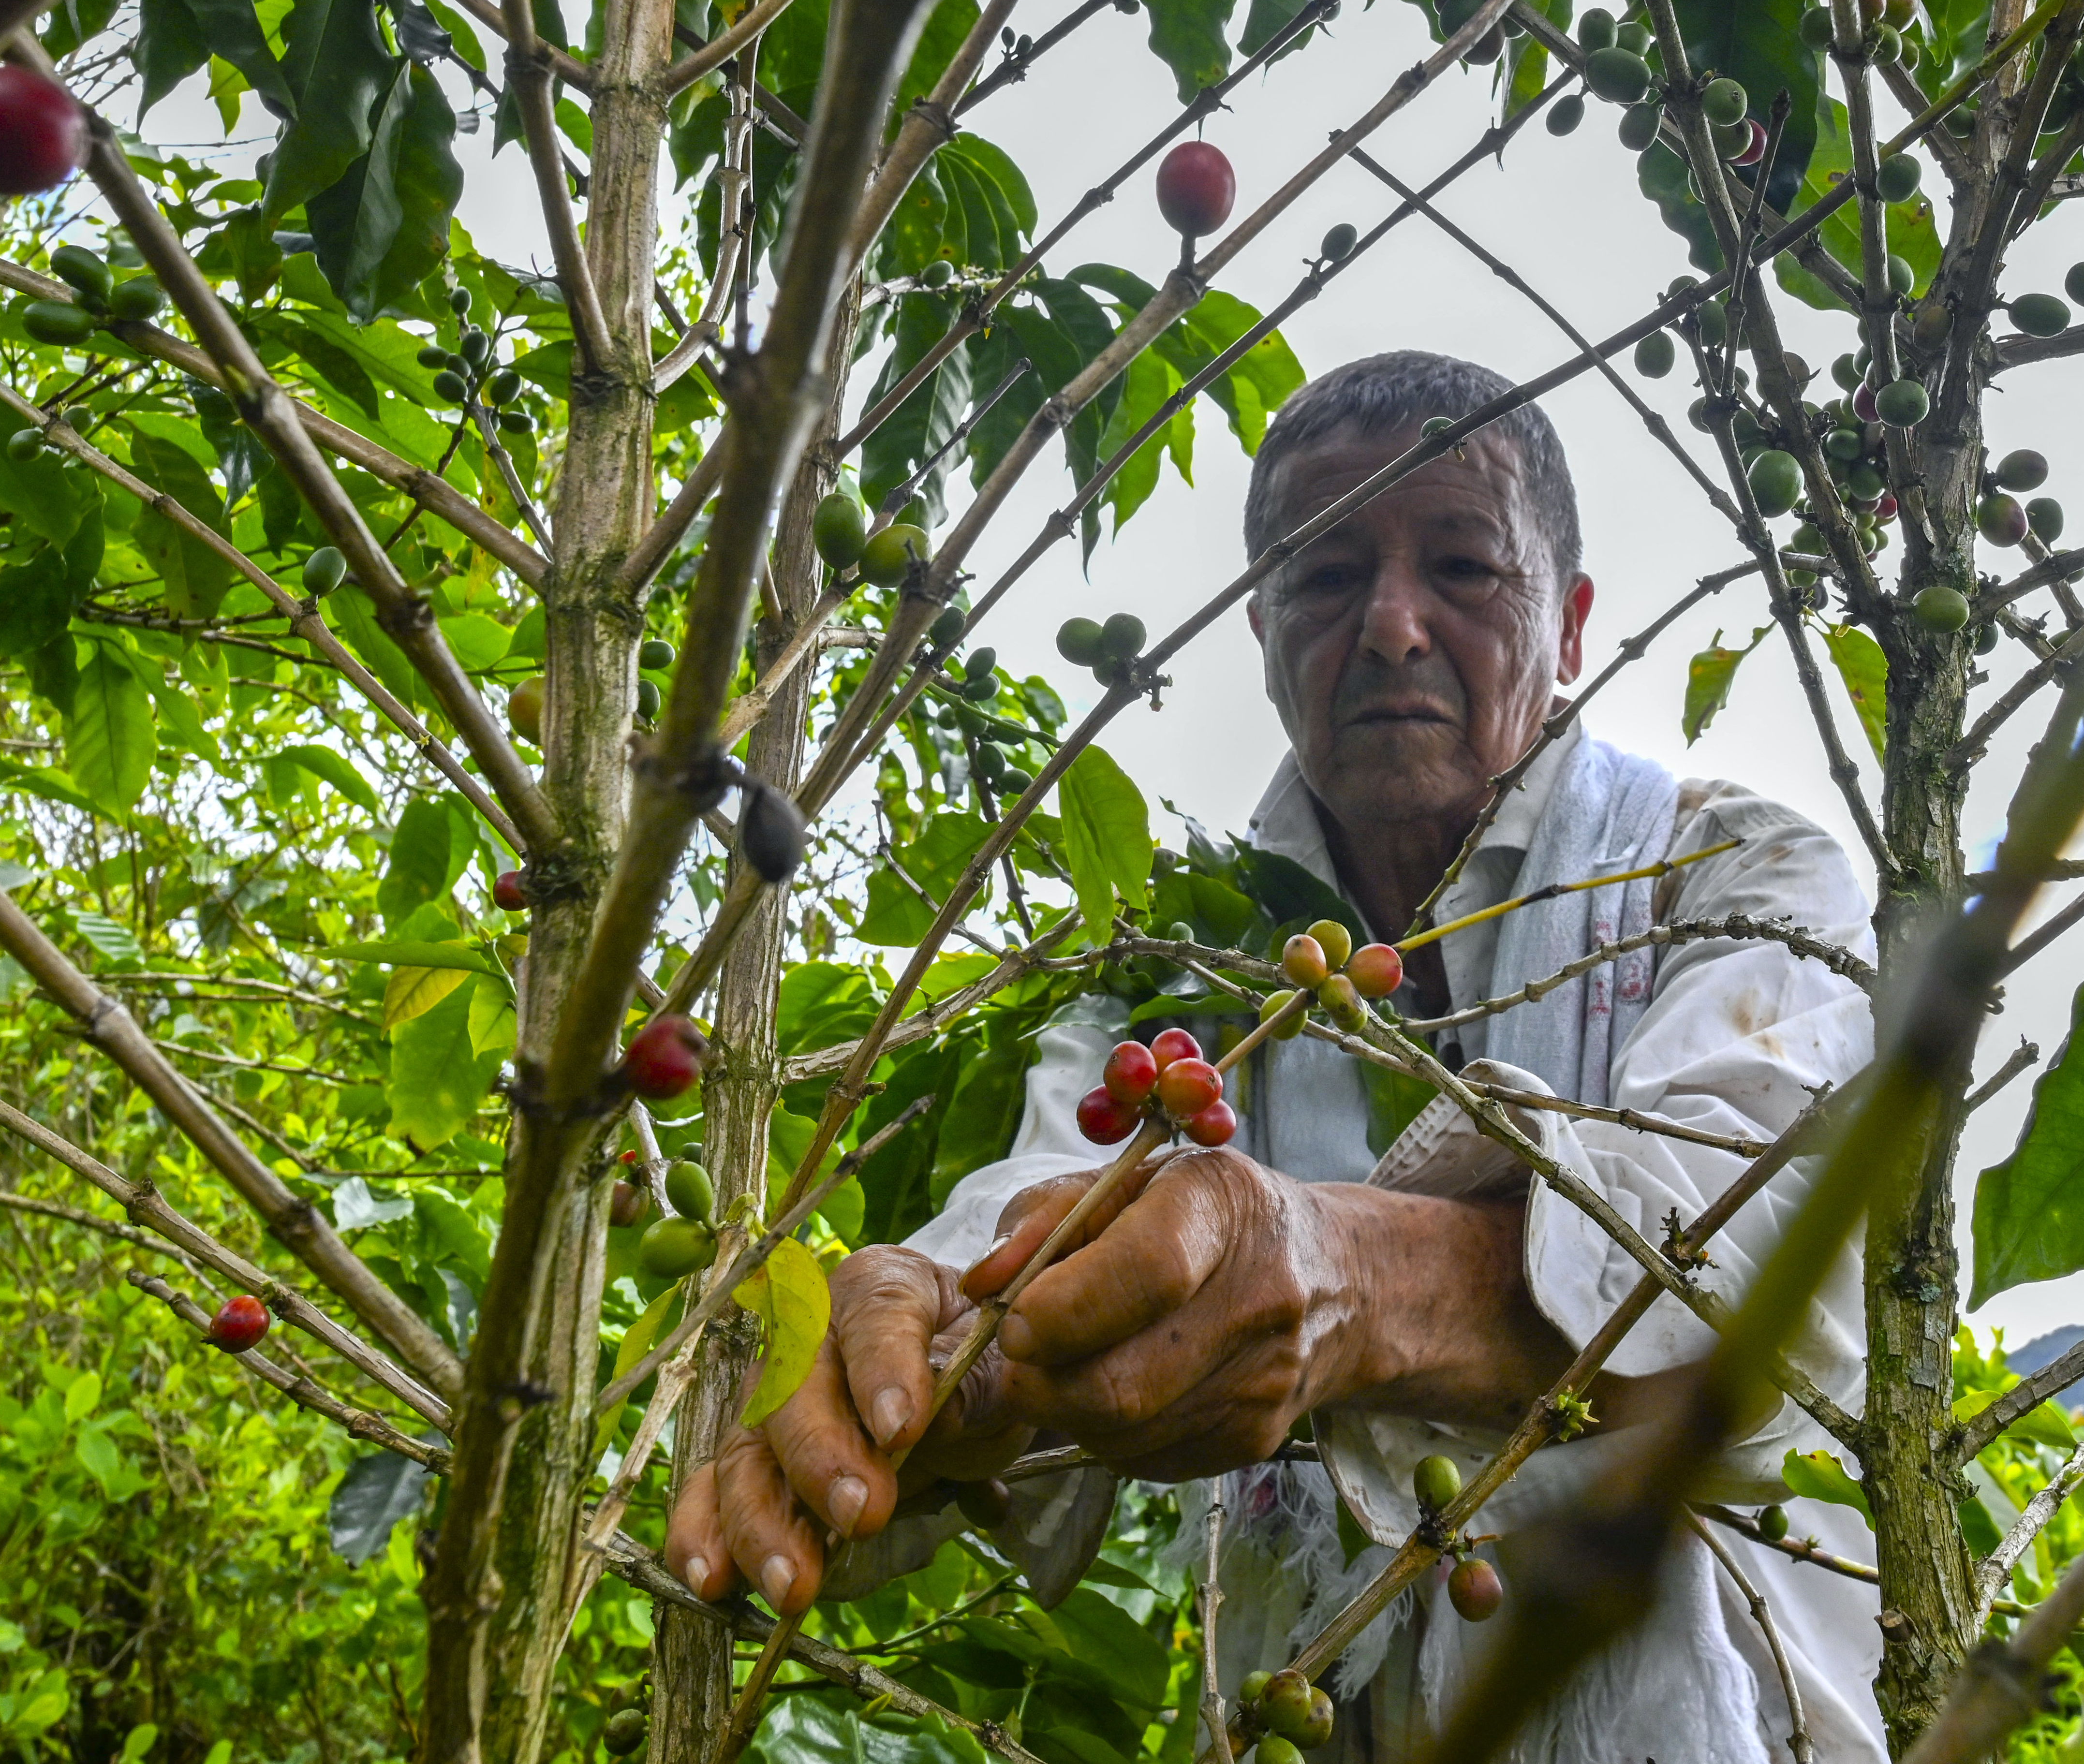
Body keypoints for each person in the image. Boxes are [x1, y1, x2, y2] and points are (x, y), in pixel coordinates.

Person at [667, 352, 1882, 1764]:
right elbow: (1057, 1187)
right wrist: (940, 1343)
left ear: (1572, 631)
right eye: (1324, 578)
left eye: (1467, 569)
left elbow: (1768, 1255)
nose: (1391, 629)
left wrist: (1354, 1278)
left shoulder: (1736, 878)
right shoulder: (1185, 967)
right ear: (1260, 629)